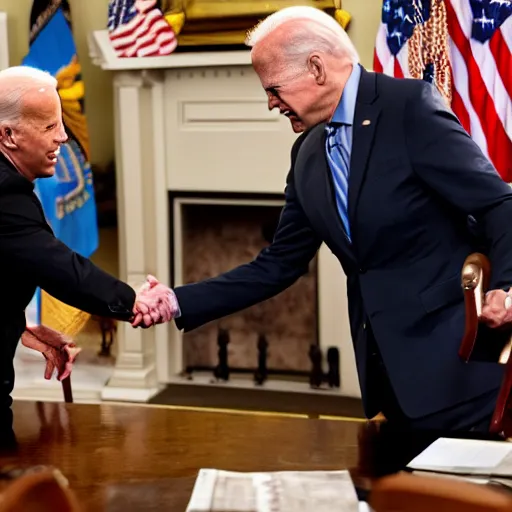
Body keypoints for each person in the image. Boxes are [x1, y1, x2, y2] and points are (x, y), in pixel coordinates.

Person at [163, 6, 512, 433]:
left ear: (316, 68)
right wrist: (177, 301)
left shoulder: (408, 108)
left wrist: (505, 286)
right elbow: (277, 264)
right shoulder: (307, 153)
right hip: (389, 382)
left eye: (273, 88)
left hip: (458, 371)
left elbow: (499, 205)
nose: (270, 103)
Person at [0, 65, 175, 418]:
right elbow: (57, 265)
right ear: (8, 135)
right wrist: (132, 301)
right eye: (49, 126)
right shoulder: (5, 191)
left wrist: (19, 327)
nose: (63, 137)